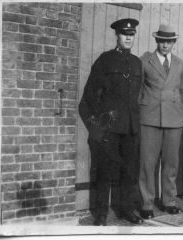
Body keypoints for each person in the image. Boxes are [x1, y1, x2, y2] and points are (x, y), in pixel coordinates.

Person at [80, 18, 144, 225]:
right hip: (110, 128)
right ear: (116, 36)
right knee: (104, 171)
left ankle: (126, 209)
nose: (128, 37)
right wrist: (98, 125)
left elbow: (137, 95)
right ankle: (100, 214)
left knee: (129, 171)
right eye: (124, 34)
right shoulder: (105, 60)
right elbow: (89, 96)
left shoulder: (137, 63)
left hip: (131, 128)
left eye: (131, 34)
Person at [138, 24, 183, 219]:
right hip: (150, 119)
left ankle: (169, 201)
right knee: (147, 164)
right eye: (162, 40)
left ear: (174, 42)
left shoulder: (182, 66)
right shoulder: (144, 62)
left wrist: (179, 114)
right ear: (156, 41)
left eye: (169, 41)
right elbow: (138, 91)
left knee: (171, 164)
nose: (165, 44)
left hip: (174, 120)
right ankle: (146, 204)